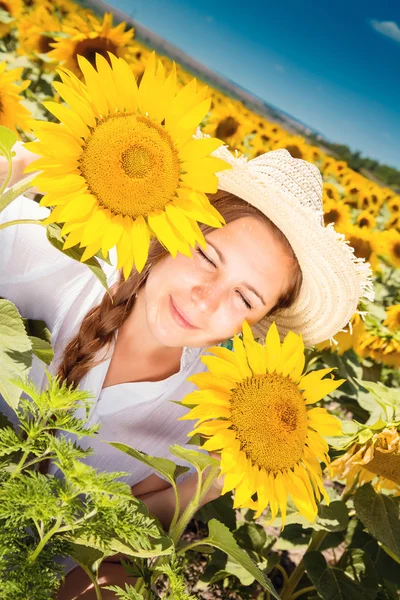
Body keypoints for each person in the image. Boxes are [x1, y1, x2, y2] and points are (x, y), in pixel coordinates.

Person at [0, 141, 374, 598]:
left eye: (245, 298)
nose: (207, 297)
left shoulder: (213, 415)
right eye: (206, 255)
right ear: (172, 229)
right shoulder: (57, 264)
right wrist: (28, 164)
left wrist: (210, 482)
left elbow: (114, 554)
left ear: (257, 323)